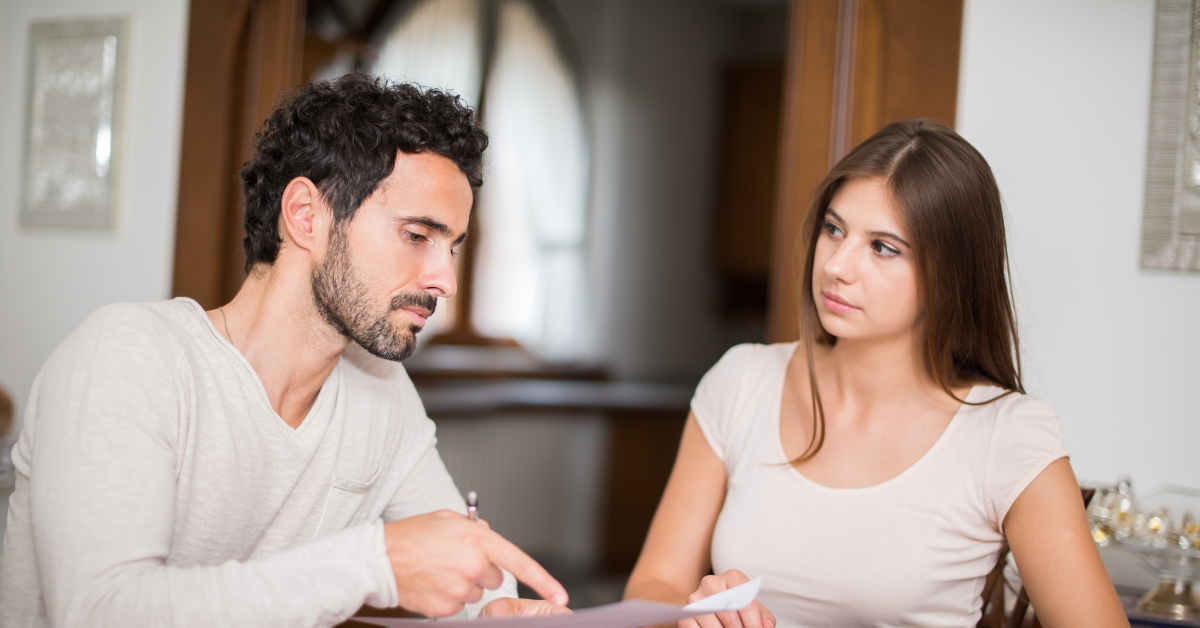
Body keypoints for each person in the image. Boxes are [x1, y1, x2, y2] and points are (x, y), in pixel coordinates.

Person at [0, 74, 570, 628]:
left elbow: (461, 560)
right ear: (305, 215)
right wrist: (373, 564)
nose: (445, 281)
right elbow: (100, 612)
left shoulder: (380, 389)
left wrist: (496, 611)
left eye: (452, 247)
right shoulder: (127, 358)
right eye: (417, 236)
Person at [624, 120, 1129, 628]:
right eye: (834, 229)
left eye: (883, 247)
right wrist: (697, 615)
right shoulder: (742, 381)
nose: (836, 266)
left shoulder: (1008, 435)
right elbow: (652, 587)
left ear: (950, 275)